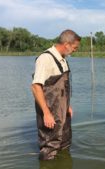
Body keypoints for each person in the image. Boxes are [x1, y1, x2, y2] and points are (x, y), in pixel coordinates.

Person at [31, 29, 81, 160]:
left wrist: (67, 106)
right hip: (50, 111)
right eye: (75, 47)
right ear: (67, 44)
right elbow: (36, 87)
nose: (75, 50)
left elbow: (62, 88)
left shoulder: (63, 59)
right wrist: (46, 113)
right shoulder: (45, 59)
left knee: (64, 141)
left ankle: (63, 164)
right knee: (50, 145)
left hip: (63, 109)